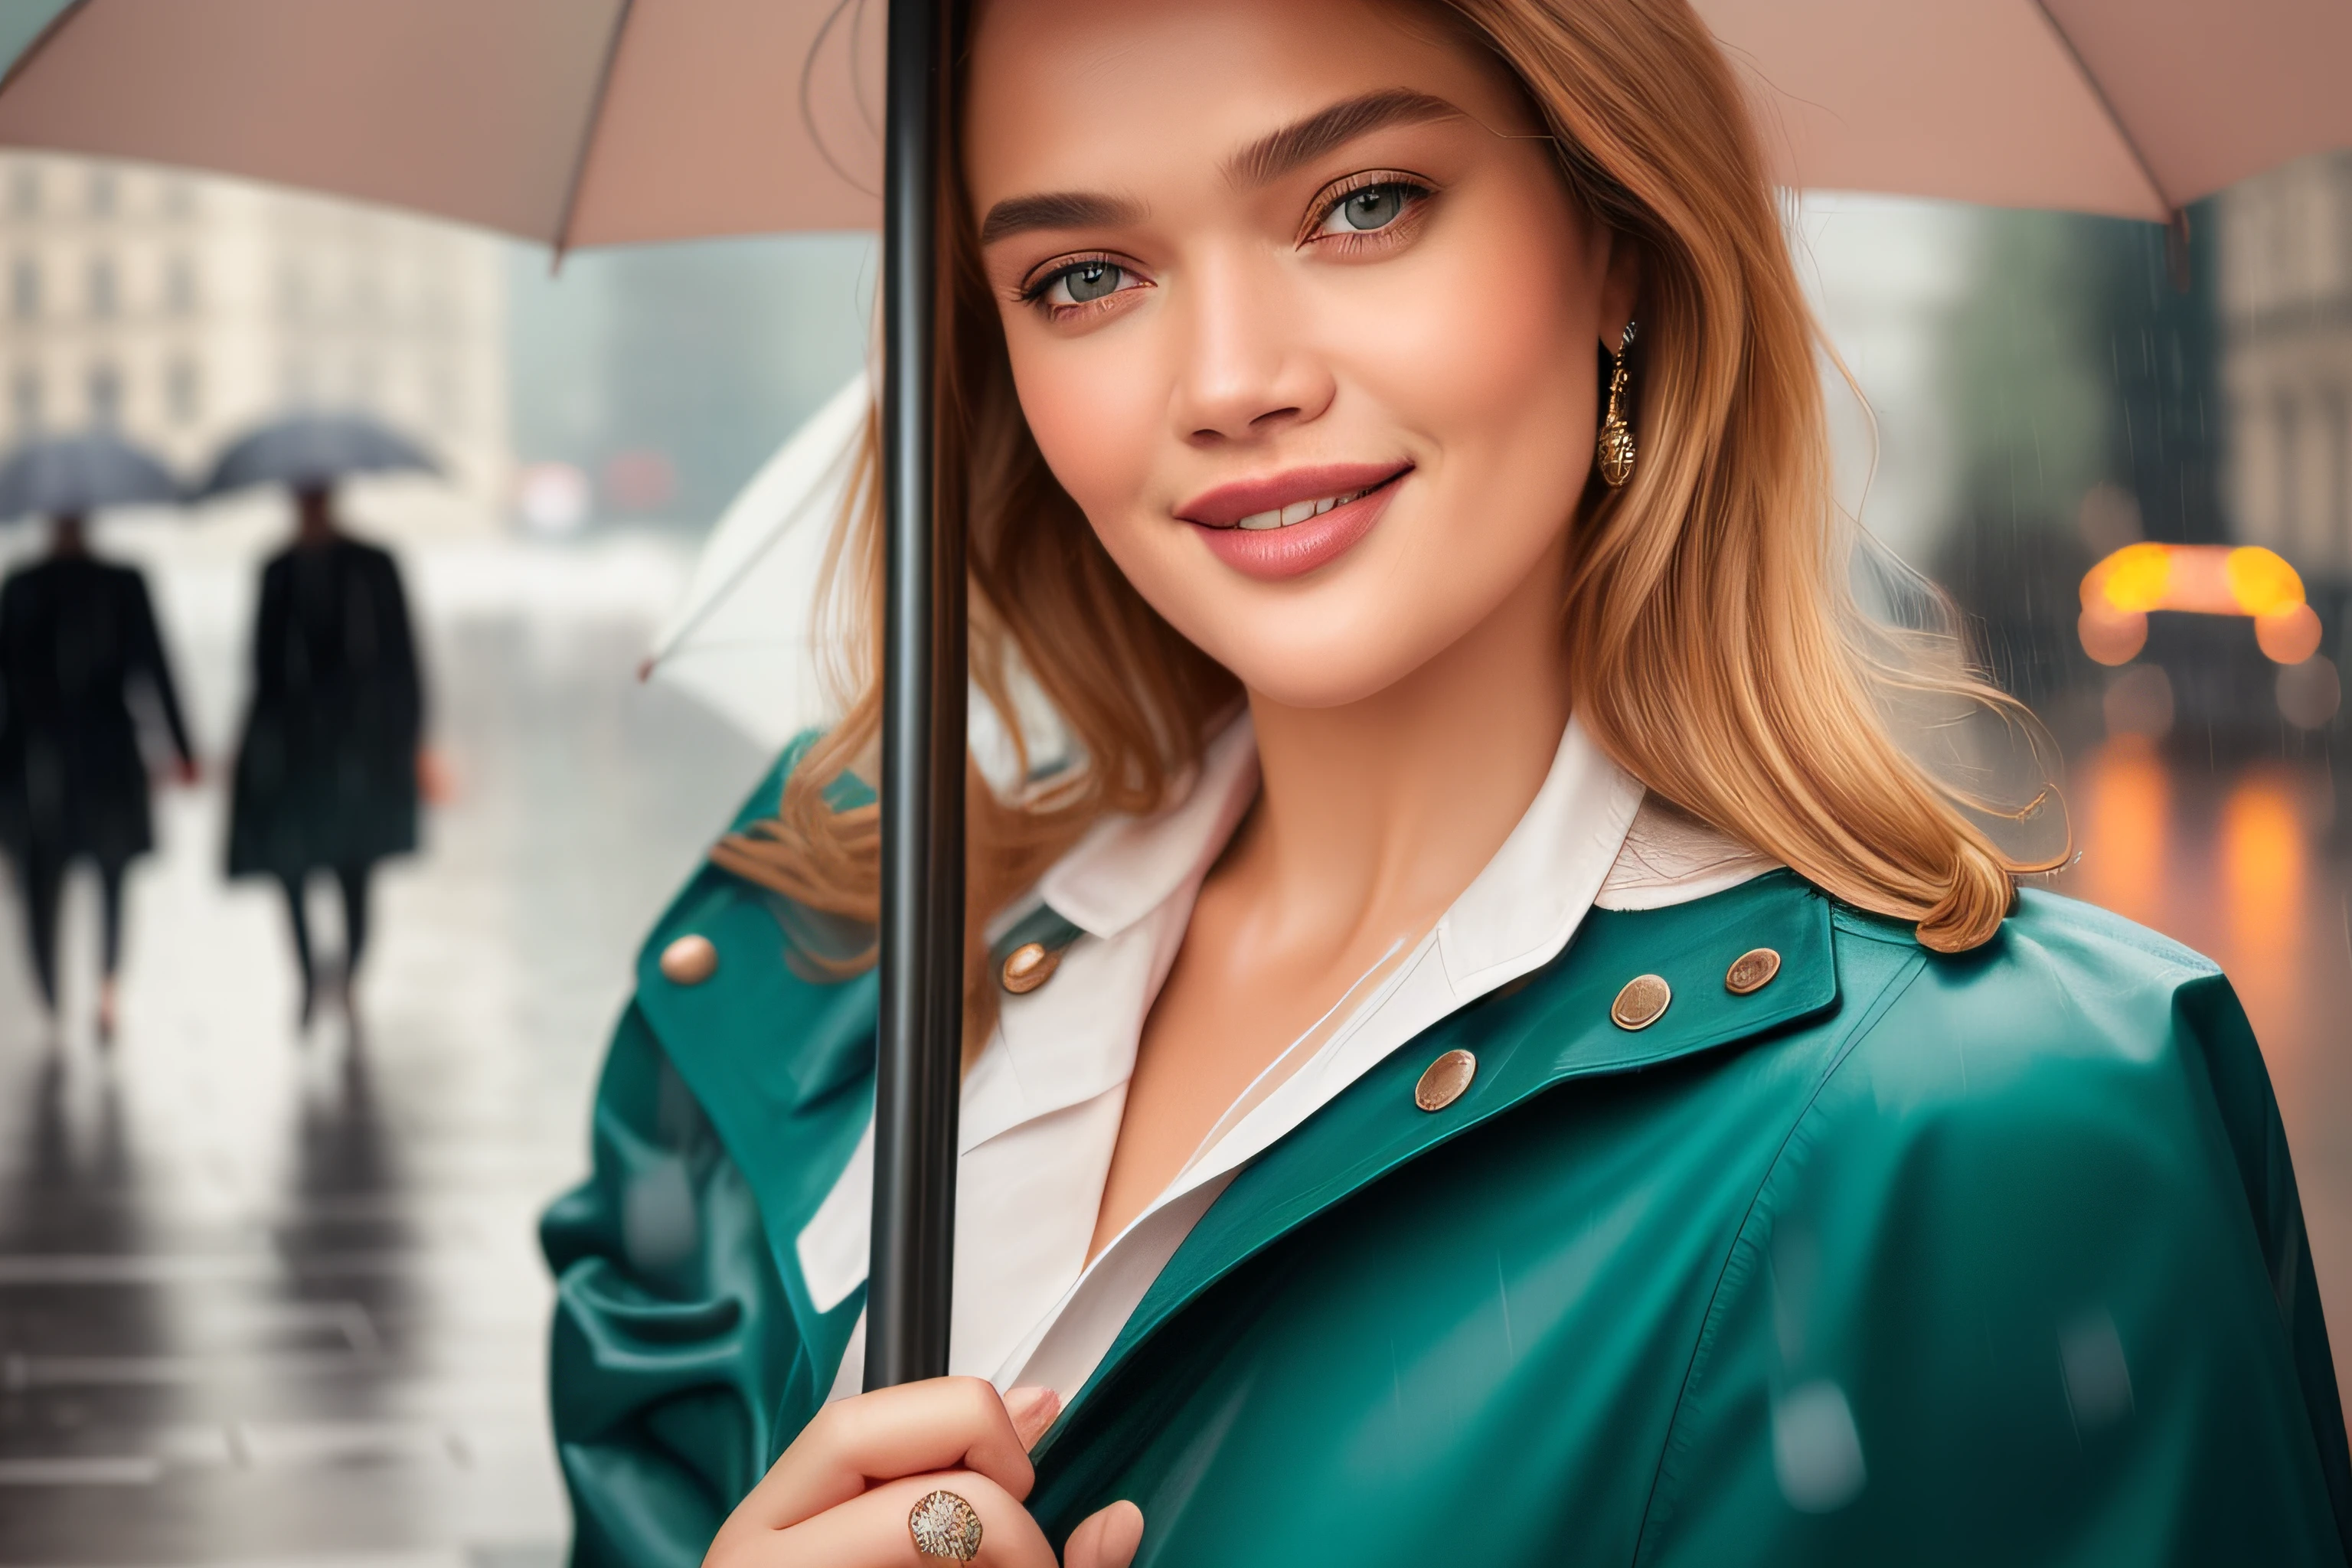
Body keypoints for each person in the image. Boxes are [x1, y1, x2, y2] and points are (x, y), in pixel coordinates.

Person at [543, 1, 2352, 1563]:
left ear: (1619, 237)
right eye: (1080, 274)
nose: (1232, 382)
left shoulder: (1997, 1132)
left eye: (1362, 202)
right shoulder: (797, 976)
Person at [227, 483, 423, 1028]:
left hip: (360, 742)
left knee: (355, 867)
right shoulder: (279, 569)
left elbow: (403, 658)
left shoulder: (373, 565)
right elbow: (261, 666)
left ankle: (350, 975)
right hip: (294, 743)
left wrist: (410, 741)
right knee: (290, 865)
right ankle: (311, 974)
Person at [0, 511, 196, 1040]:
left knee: (108, 874)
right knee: (44, 882)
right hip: (38, 761)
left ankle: (104, 986)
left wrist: (182, 746)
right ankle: (56, 1000)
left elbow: (154, 665)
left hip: (99, 755)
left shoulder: (114, 583)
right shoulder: (22, 588)